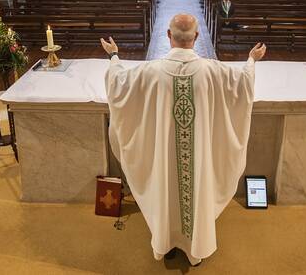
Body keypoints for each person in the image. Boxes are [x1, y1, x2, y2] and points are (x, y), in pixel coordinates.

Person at [101, 14, 266, 266]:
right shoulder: (212, 71)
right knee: (195, 187)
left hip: (165, 155)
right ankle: (194, 250)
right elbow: (242, 84)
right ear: (197, 37)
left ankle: (165, 245)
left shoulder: (152, 71)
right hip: (196, 157)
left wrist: (114, 56)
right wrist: (252, 61)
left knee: (166, 186)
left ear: (169, 36)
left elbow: (119, 84)